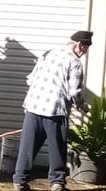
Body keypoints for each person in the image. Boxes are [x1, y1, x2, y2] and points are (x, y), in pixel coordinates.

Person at [13, 30, 93, 191]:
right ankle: (57, 183)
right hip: (55, 110)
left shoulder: (48, 54)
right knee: (57, 148)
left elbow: (31, 79)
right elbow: (74, 92)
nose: (84, 53)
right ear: (79, 45)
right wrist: (82, 106)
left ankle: (19, 182)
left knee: (28, 146)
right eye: (85, 48)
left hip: (33, 106)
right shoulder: (75, 63)